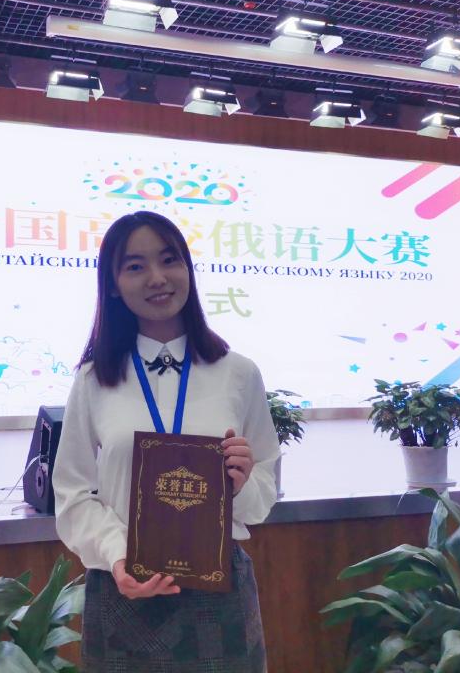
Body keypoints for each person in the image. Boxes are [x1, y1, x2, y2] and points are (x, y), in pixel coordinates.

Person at [53, 210, 280, 673]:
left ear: (188, 269)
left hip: (219, 592)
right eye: (135, 266)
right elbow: (72, 494)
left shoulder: (238, 373)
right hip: (123, 589)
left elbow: (265, 489)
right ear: (113, 284)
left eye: (169, 259)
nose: (157, 278)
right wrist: (118, 554)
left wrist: (239, 484)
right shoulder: (94, 379)